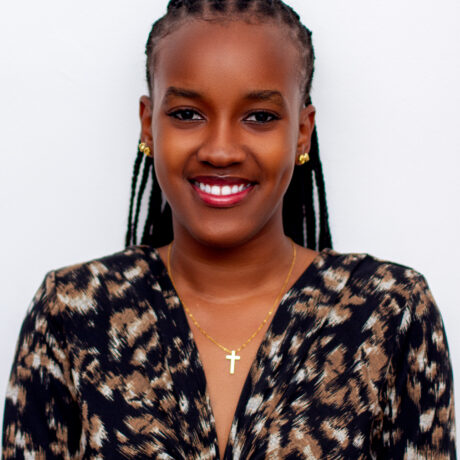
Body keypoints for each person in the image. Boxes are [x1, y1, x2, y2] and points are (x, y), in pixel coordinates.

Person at [2, 0, 456, 458]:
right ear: (148, 125)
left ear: (302, 131)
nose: (220, 151)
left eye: (260, 117)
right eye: (187, 114)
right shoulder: (74, 310)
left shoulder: (388, 313)